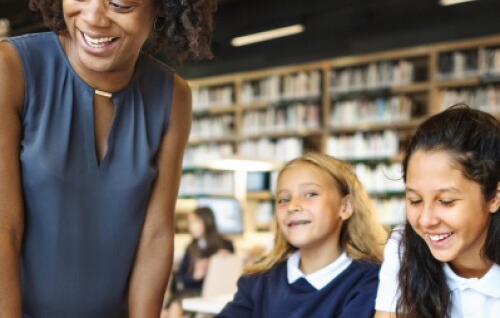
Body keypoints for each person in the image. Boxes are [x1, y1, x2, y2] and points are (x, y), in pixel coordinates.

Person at [0, 0, 224, 316]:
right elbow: (3, 228)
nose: (92, 17)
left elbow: (155, 236)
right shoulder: (13, 71)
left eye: (119, 4)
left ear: (160, 9)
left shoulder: (172, 98)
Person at [216, 152, 388, 318]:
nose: (292, 206)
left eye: (310, 194)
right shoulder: (258, 279)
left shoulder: (370, 280)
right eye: (283, 199)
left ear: (345, 207)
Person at [374, 104, 500, 318]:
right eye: (415, 200)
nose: (426, 220)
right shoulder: (403, 247)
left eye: (446, 201)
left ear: (494, 197)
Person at [162, 207, 234, 318]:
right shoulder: (191, 248)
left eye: (195, 222)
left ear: (207, 221)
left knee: (174, 308)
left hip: (210, 294)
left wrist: (217, 261)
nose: (191, 227)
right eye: (190, 223)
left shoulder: (225, 245)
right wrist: (195, 276)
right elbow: (182, 278)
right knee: (166, 311)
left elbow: (231, 271)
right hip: (192, 291)